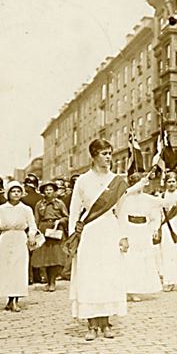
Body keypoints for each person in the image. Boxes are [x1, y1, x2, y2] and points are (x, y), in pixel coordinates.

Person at [67, 139, 130, 341]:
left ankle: (105, 322)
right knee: (90, 276)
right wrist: (73, 237)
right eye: (104, 153)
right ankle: (92, 325)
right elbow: (74, 210)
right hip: (89, 232)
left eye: (110, 153)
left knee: (108, 276)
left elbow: (122, 211)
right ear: (94, 156)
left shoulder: (117, 181)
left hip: (110, 231)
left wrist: (124, 236)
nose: (109, 157)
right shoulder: (83, 180)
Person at [0, 181, 38, 312]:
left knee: (18, 269)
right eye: (13, 191)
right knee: (5, 268)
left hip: (20, 239)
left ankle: (15, 300)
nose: (16, 194)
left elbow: (32, 225)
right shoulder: (0, 209)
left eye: (18, 191)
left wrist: (31, 235)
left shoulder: (26, 209)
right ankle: (9, 299)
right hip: (5, 239)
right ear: (8, 193)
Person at [118, 172, 162, 302]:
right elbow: (121, 216)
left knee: (143, 259)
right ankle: (129, 289)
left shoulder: (149, 199)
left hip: (144, 230)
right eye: (134, 184)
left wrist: (154, 228)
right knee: (130, 259)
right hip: (130, 228)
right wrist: (123, 234)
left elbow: (155, 215)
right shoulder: (125, 199)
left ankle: (140, 288)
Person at [31, 180, 69, 292]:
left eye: (50, 190)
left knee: (55, 257)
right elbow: (36, 219)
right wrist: (35, 232)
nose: (48, 192)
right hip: (43, 229)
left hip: (56, 229)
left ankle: (52, 282)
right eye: (46, 190)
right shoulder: (39, 204)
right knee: (45, 258)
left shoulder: (59, 204)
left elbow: (66, 217)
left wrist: (60, 221)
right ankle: (48, 282)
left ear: (54, 191)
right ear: (43, 192)